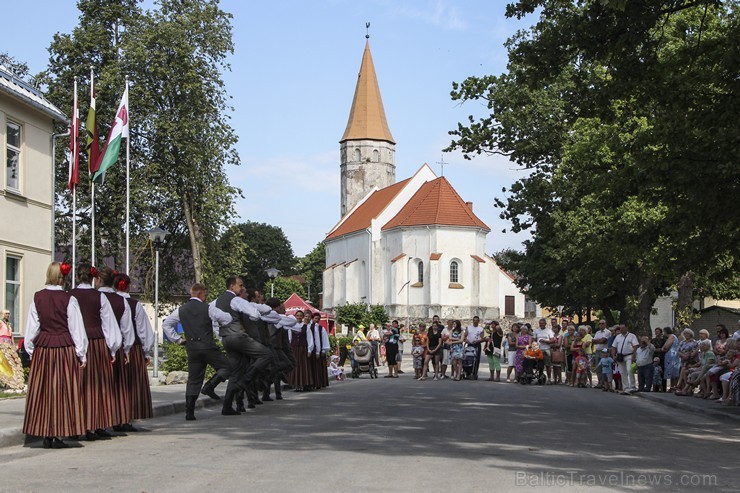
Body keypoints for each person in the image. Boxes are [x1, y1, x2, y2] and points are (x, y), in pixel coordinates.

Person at [23, 262, 88, 449]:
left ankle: (45, 433)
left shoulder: (38, 297)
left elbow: (31, 329)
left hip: (43, 349)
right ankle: (59, 434)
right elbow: (76, 328)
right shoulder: (69, 300)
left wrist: (32, 351)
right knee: (63, 391)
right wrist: (81, 353)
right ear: (63, 277)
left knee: (43, 391)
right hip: (63, 349)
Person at [162, 283, 233, 420]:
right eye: (205, 295)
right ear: (200, 294)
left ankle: (189, 412)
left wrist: (178, 340)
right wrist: (218, 325)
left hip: (192, 348)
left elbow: (166, 324)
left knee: (194, 379)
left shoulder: (181, 310)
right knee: (227, 367)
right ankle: (209, 386)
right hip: (207, 346)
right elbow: (227, 318)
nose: (206, 297)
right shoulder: (208, 308)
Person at [70, 263, 121, 440]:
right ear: (93, 278)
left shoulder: (69, 296)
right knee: (97, 385)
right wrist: (113, 349)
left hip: (73, 344)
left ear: (77, 277)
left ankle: (75, 425)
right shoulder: (99, 297)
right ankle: (95, 425)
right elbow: (108, 324)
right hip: (97, 344)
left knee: (77, 385)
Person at [214, 276, 274, 413]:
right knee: (267, 354)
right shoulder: (236, 300)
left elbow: (213, 319)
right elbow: (254, 314)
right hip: (238, 337)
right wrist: (252, 318)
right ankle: (247, 380)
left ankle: (227, 406)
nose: (242, 288)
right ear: (232, 286)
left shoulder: (217, 301)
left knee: (235, 373)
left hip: (226, 338)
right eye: (240, 285)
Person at [97, 266, 135, 431]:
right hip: (115, 344)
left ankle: (93, 423)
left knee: (94, 385)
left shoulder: (90, 297)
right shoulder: (122, 302)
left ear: (98, 280)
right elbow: (127, 329)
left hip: (93, 344)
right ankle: (118, 419)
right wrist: (126, 349)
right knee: (116, 385)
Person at [115, 273, 154, 423]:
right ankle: (127, 417)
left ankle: (116, 417)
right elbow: (143, 330)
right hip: (133, 347)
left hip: (113, 346)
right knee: (131, 384)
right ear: (129, 286)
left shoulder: (108, 300)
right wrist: (146, 351)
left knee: (117, 384)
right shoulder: (134, 304)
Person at [287, 310, 314, 391]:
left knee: (304, 366)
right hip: (294, 348)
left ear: (303, 317)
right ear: (295, 316)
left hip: (303, 348)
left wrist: (310, 350)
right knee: (295, 366)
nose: (299, 317)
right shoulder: (291, 326)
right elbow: (289, 338)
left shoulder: (306, 326)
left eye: (300, 316)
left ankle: (305, 383)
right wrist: (289, 348)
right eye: (297, 315)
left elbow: (310, 339)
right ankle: (297, 384)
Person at [611, 324, 639, 395]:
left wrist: (634, 355)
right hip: (620, 356)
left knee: (629, 370)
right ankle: (626, 388)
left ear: (627, 328)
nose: (621, 329)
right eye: (620, 328)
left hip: (629, 355)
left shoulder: (632, 336)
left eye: (623, 328)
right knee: (622, 372)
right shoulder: (618, 337)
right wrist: (614, 355)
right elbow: (614, 347)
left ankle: (632, 387)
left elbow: (635, 346)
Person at [465, 316, 485, 380]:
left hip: (477, 345)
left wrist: (478, 341)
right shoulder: (469, 328)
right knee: (468, 359)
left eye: (477, 320)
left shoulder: (481, 329)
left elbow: (483, 338)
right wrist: (466, 340)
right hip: (470, 344)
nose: (475, 321)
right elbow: (465, 336)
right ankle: (468, 373)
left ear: (478, 321)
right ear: (473, 321)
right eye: (474, 320)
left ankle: (475, 373)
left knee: (476, 360)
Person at [662, 327, 681, 391]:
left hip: (672, 356)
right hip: (671, 355)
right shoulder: (673, 337)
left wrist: (663, 349)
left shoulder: (671, 337)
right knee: (672, 372)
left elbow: (666, 347)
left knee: (673, 371)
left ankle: (673, 387)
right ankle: (672, 387)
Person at [651, 327, 668, 392]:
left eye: (658, 331)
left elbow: (664, 348)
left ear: (661, 332)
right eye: (656, 331)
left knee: (662, 372)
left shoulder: (664, 340)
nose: (656, 333)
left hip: (662, 358)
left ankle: (663, 388)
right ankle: (655, 388)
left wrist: (659, 349)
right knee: (655, 373)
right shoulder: (653, 340)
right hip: (655, 358)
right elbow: (652, 348)